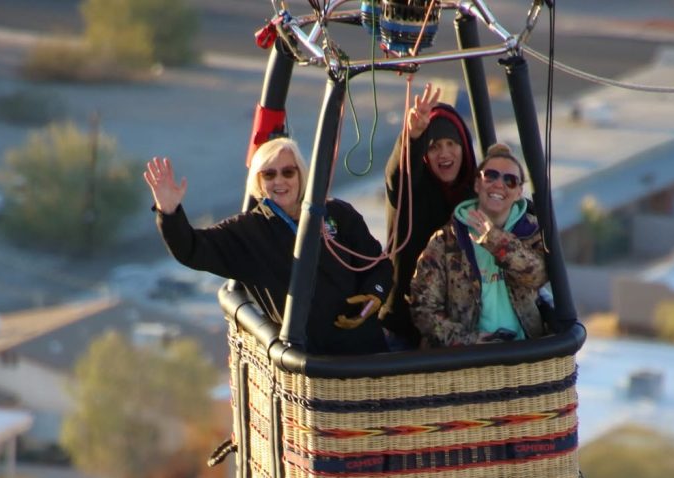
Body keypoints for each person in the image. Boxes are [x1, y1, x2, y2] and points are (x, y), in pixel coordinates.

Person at [143, 137, 390, 355]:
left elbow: (378, 264)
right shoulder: (248, 231)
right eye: (269, 174)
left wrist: (374, 295)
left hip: (365, 349)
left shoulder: (337, 213)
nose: (279, 181)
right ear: (259, 182)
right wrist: (170, 212)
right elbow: (192, 249)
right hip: (312, 365)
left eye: (287, 172)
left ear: (301, 174)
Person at [410, 142, 547, 348]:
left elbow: (538, 275)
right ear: (477, 184)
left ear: (519, 192)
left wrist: (494, 239)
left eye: (509, 180)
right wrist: (469, 341)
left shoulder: (534, 233)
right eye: (490, 176)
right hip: (467, 361)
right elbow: (423, 309)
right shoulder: (445, 242)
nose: (499, 184)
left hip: (522, 353)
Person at [382, 83, 477, 349]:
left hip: (459, 332)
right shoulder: (412, 191)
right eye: (434, 147)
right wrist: (411, 137)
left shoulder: (474, 198)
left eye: (451, 144)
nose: (444, 153)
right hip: (404, 330)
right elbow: (398, 173)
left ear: (464, 149)